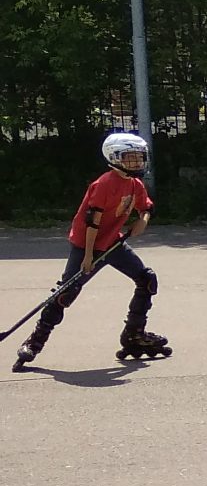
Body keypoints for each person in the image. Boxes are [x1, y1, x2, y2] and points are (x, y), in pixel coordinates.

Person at [13, 131, 170, 370]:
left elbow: (145, 206)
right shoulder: (104, 184)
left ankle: (134, 334)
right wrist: (88, 257)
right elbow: (91, 222)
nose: (137, 162)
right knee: (66, 293)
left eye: (139, 158)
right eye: (130, 158)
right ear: (115, 157)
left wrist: (143, 220)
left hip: (113, 244)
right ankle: (35, 342)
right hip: (87, 244)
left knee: (147, 279)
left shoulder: (134, 184)